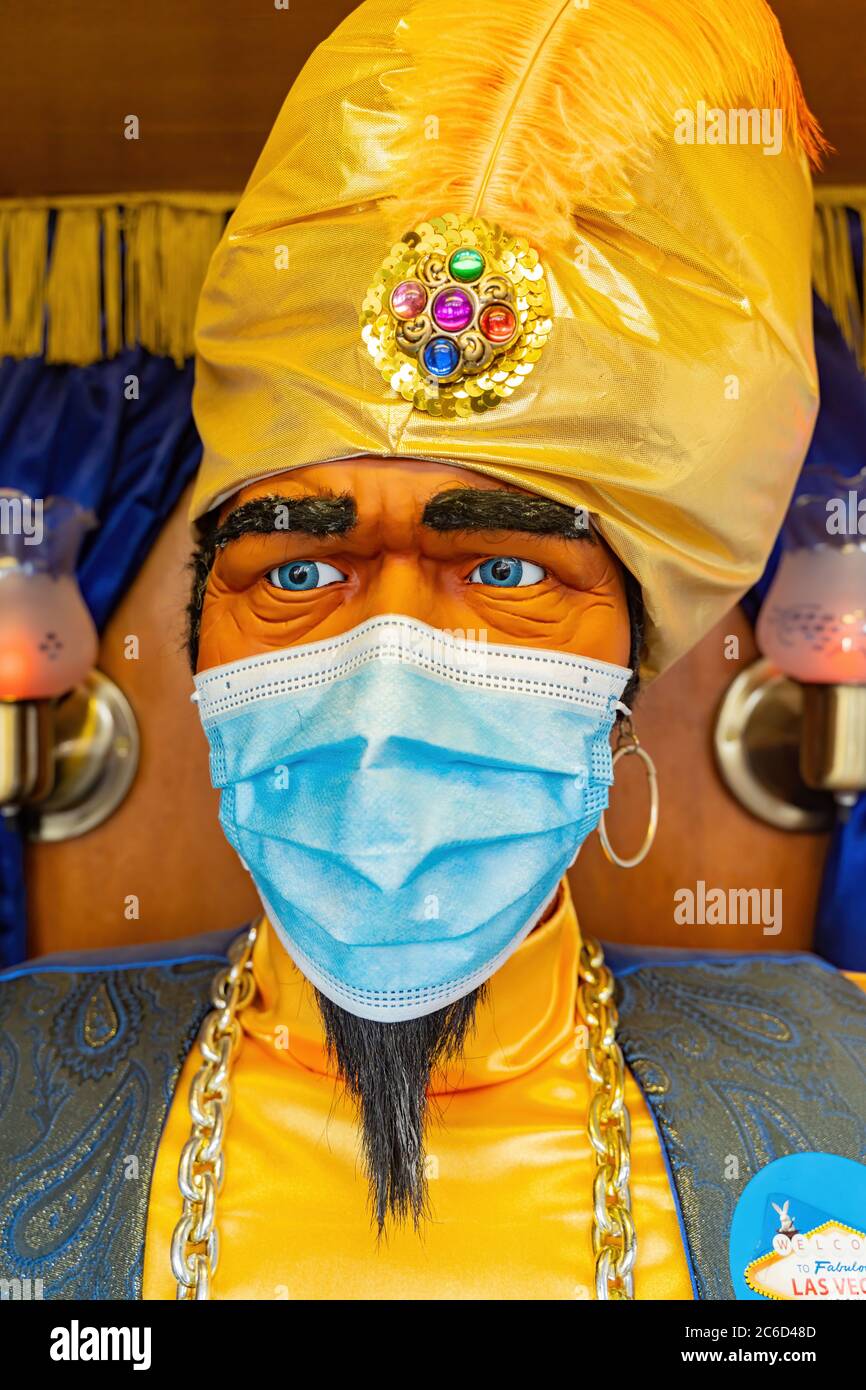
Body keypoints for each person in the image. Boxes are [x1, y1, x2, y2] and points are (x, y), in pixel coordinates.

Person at [1, 0, 864, 1303]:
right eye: (296, 569)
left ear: (632, 668)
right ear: (197, 649)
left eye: (507, 569)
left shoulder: (837, 1097)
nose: (385, 668)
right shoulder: (20, 1096)